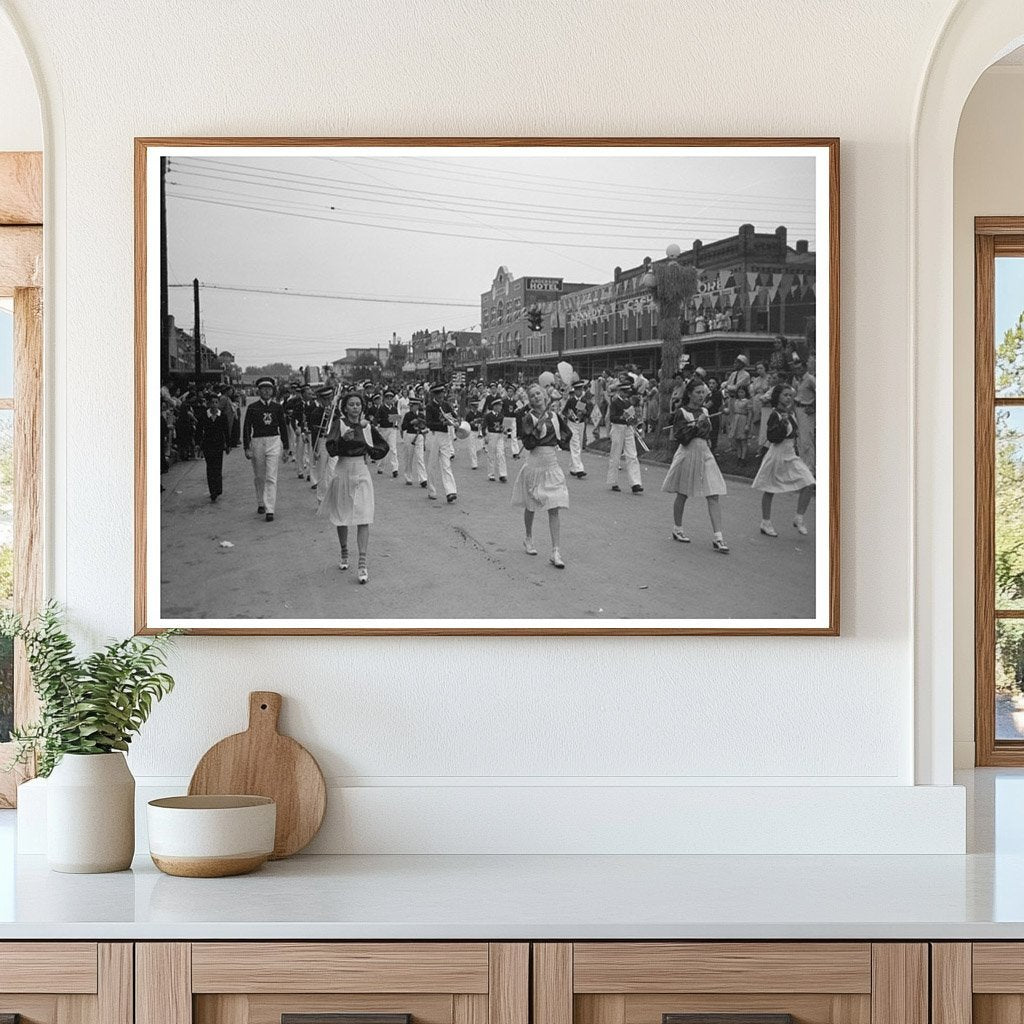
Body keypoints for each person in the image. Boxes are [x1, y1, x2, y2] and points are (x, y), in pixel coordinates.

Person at [320, 392, 390, 584]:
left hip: (361, 470)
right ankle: (344, 551)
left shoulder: (366, 426)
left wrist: (370, 450)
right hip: (342, 469)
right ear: (345, 407)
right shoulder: (338, 424)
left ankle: (362, 562)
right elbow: (331, 449)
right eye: (351, 404)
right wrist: (343, 439)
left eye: (358, 404)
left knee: (363, 515)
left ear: (362, 406)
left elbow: (382, 446)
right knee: (342, 515)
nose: (355, 408)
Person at [660, 378, 729, 553]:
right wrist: (698, 425)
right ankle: (677, 528)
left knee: (713, 494)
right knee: (682, 493)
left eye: (703, 392)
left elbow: (708, 434)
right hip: (688, 454)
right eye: (697, 392)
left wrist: (703, 425)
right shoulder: (681, 412)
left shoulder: (705, 410)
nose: (701, 395)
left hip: (705, 453)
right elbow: (681, 437)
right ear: (689, 393)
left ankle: (718, 537)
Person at [511, 382, 572, 568]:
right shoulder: (527, 418)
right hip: (534, 464)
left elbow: (565, 434)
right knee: (531, 505)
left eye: (538, 394)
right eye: (532, 396)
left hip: (551, 464)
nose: (536, 397)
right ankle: (528, 537)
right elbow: (528, 444)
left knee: (555, 506)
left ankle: (555, 551)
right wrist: (535, 433)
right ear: (529, 401)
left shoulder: (554, 415)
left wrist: (562, 441)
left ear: (545, 395)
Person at [753, 383, 816, 537]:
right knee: (770, 488)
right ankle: (765, 522)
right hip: (777, 454)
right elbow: (773, 437)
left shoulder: (792, 413)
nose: (788, 398)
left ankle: (799, 517)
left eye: (790, 395)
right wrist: (783, 423)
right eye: (785, 395)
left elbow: (794, 434)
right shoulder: (775, 415)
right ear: (777, 397)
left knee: (809, 482)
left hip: (790, 453)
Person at [242, 376, 291, 522]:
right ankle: (260, 502)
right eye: (264, 389)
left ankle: (270, 509)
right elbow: (246, 428)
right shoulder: (253, 407)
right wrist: (247, 447)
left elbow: (283, 427)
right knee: (259, 476)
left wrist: (286, 447)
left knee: (271, 476)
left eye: (269, 389)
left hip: (273, 441)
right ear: (259, 391)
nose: (267, 392)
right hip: (257, 441)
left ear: (272, 391)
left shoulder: (277, 407)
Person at [606, 374, 643, 494]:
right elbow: (612, 418)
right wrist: (622, 418)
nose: (627, 395)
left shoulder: (628, 403)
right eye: (625, 392)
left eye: (628, 392)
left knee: (632, 455)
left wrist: (633, 420)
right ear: (620, 391)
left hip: (628, 429)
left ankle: (635, 483)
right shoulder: (615, 402)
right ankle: (613, 481)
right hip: (617, 428)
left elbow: (633, 416)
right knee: (615, 455)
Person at [424, 381, 458, 502]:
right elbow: (428, 423)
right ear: (434, 394)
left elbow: (454, 416)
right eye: (438, 393)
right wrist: (443, 423)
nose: (440, 395)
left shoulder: (446, 405)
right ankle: (432, 490)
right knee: (432, 464)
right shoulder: (429, 406)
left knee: (446, 463)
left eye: (442, 393)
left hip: (444, 436)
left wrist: (456, 422)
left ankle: (450, 491)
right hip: (433, 436)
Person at [195, 391, 231, 502]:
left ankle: (218, 488)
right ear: (209, 404)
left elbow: (226, 431)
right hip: (208, 445)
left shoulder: (222, 416)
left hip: (219, 445)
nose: (214, 404)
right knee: (210, 468)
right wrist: (198, 444)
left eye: (216, 402)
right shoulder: (204, 416)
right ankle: (213, 491)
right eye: (212, 402)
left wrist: (228, 445)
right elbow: (199, 431)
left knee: (218, 467)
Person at [562, 379, 590, 478]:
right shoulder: (571, 400)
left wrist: (585, 412)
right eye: (577, 389)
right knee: (575, 445)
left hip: (581, 424)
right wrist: (569, 415)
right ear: (575, 390)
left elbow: (588, 413)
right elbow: (564, 411)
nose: (579, 391)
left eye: (581, 389)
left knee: (578, 446)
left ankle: (573, 468)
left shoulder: (584, 400)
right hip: (572, 424)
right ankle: (579, 469)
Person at [793, 355, 817, 474]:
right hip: (798, 409)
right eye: (795, 368)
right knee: (800, 440)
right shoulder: (797, 380)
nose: (797, 371)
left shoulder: (810, 379)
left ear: (804, 368)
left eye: (799, 369)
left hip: (807, 410)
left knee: (807, 440)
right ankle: (803, 467)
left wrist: (813, 406)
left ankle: (810, 469)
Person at [400, 395, 428, 487]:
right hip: (410, 435)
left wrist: (422, 426)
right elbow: (403, 427)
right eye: (412, 405)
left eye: (415, 405)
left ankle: (423, 479)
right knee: (409, 457)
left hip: (419, 435)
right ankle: (408, 477)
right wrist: (411, 423)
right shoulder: (408, 415)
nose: (414, 407)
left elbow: (425, 426)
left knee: (420, 457)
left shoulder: (421, 415)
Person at [373, 389, 402, 478]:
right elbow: (376, 419)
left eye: (391, 398)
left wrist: (396, 423)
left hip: (392, 430)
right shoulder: (381, 408)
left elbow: (397, 419)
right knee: (382, 447)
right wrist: (377, 425)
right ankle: (380, 467)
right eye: (387, 398)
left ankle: (395, 469)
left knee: (393, 449)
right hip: (383, 429)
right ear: (385, 399)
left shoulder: (394, 409)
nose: (389, 400)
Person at [481, 395, 508, 482]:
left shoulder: (501, 416)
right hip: (491, 435)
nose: (501, 407)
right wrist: (485, 435)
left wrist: (505, 430)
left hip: (499, 435)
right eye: (499, 405)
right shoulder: (488, 416)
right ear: (495, 406)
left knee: (501, 454)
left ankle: (502, 474)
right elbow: (484, 426)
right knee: (491, 455)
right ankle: (491, 474)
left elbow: (504, 426)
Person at [728, 384, 753, 462]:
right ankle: (739, 456)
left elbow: (750, 413)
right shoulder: (736, 401)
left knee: (743, 440)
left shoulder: (748, 401)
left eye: (742, 392)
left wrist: (747, 424)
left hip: (743, 419)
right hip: (736, 420)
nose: (740, 394)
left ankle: (743, 457)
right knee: (737, 440)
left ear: (745, 393)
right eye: (739, 392)